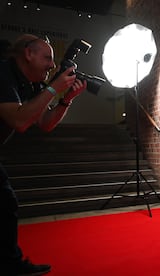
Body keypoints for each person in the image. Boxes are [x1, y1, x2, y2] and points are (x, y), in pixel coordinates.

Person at [0, 34, 87, 275]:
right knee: (5, 201)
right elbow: (19, 120)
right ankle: (10, 264)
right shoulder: (3, 73)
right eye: (47, 58)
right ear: (28, 54)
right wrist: (54, 87)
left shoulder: (33, 85)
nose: (52, 65)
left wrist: (65, 99)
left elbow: (45, 123)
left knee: (5, 203)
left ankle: (9, 263)